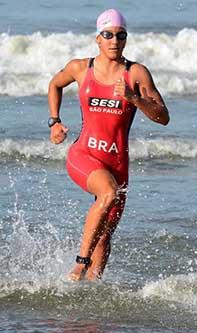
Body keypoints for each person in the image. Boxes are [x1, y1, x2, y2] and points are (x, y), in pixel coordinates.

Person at [48, 9, 170, 281]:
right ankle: (79, 265)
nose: (115, 40)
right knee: (107, 194)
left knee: (104, 235)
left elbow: (163, 117)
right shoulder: (81, 68)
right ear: (98, 38)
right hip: (84, 155)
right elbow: (55, 85)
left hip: (117, 164)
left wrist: (133, 98)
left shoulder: (135, 73)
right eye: (108, 35)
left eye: (121, 35)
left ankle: (91, 294)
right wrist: (54, 122)